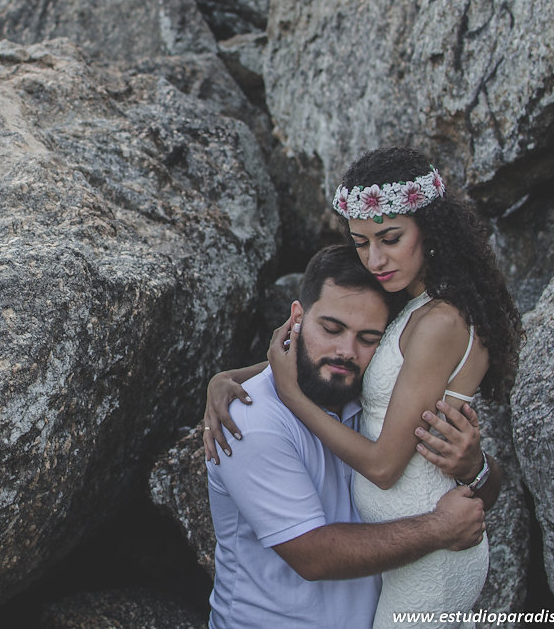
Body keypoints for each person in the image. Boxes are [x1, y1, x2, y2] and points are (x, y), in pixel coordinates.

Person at [207, 147, 521, 629]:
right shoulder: (253, 420)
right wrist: (228, 378)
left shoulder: (430, 323)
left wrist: (476, 470)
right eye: (361, 242)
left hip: (427, 564)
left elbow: (394, 469)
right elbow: (312, 556)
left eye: (390, 239)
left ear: (429, 230)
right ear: (297, 317)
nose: (375, 259)